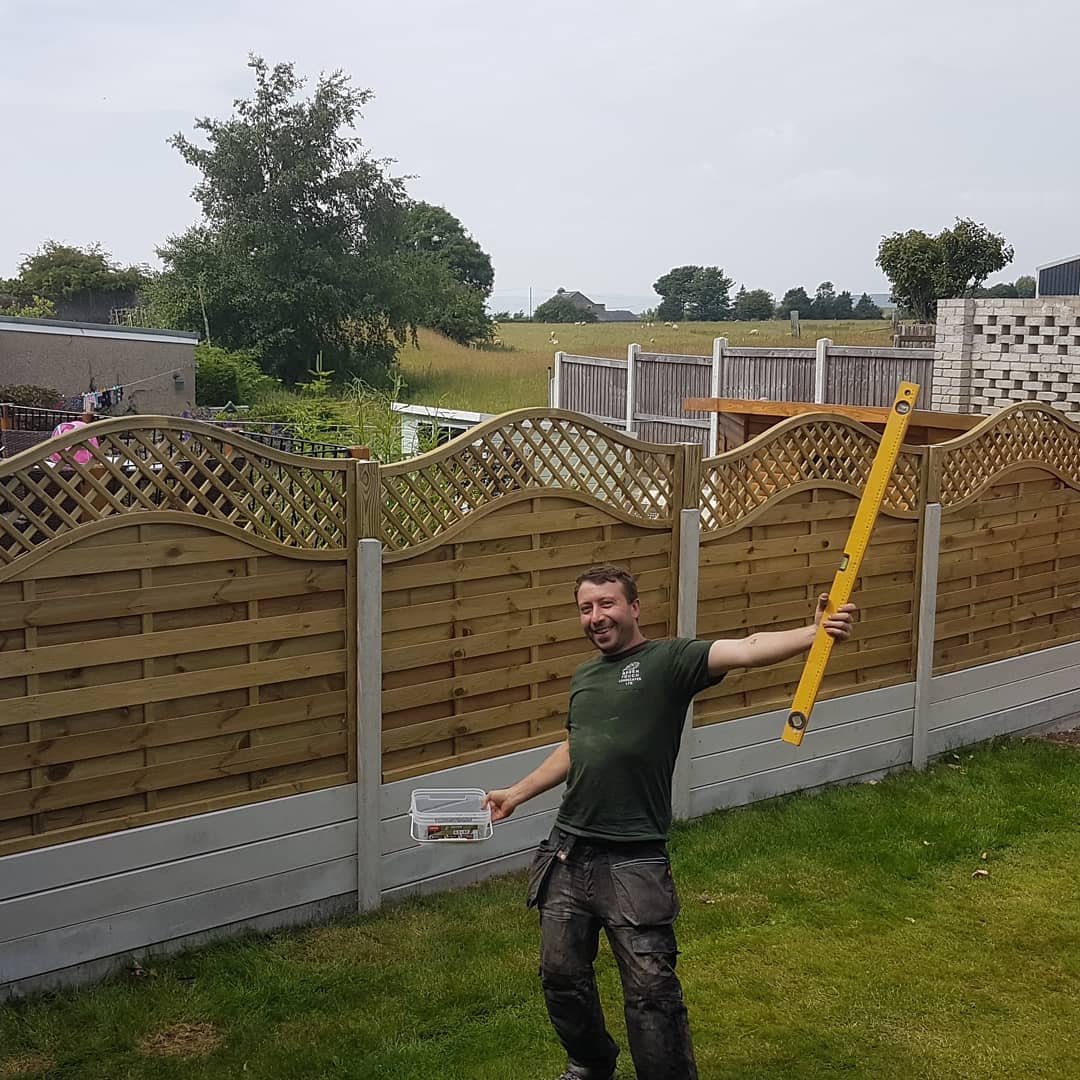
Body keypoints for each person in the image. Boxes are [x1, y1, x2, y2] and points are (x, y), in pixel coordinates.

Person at [482, 564, 856, 1080]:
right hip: (568, 851)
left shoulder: (670, 661)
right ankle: (590, 1064)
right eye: (586, 608)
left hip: (634, 856)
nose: (596, 617)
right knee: (560, 975)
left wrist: (814, 633)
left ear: (634, 608)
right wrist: (517, 793)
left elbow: (746, 647)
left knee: (650, 990)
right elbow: (577, 745)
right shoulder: (585, 677)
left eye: (607, 604)